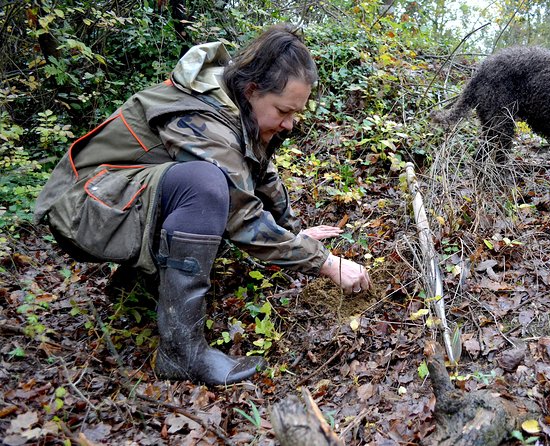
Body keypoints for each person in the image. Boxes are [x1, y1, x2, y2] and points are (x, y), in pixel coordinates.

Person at [33, 24, 371, 386]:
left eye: (295, 113)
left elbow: (260, 173)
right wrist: (324, 261)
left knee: (210, 188)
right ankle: (181, 353)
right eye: (283, 111)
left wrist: (293, 232)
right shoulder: (204, 118)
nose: (289, 124)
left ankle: (137, 284)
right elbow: (240, 214)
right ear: (252, 90)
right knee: (207, 187)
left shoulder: (235, 107)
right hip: (84, 210)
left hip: (117, 204)